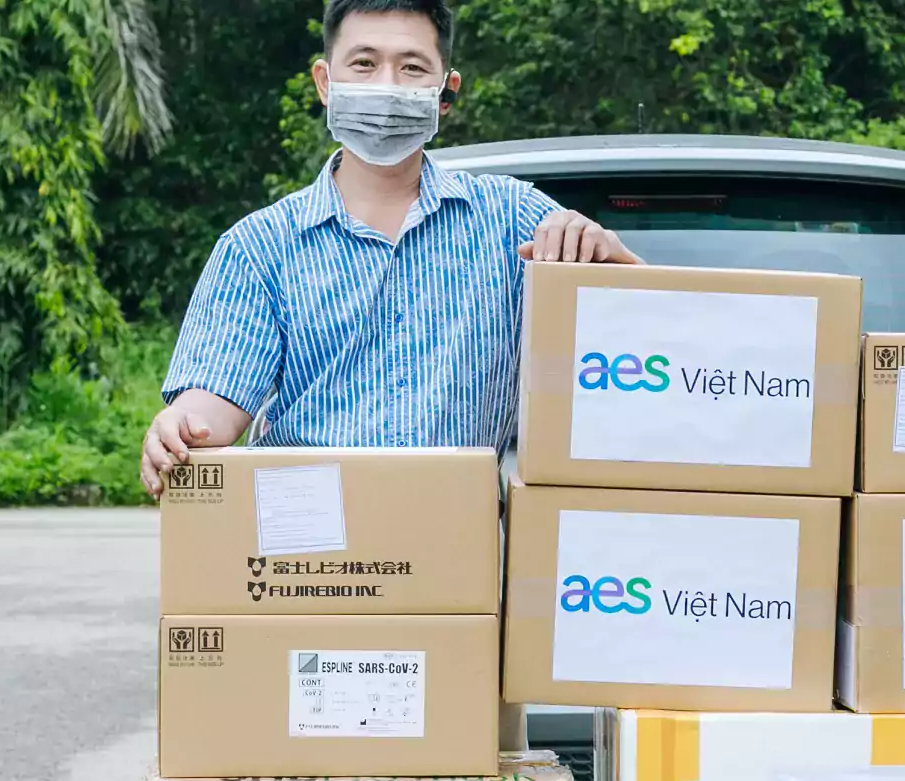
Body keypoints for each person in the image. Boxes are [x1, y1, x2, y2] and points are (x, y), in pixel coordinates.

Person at [139, 0, 640, 496]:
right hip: (309, 536)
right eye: (364, 63)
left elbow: (647, 345)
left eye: (412, 68)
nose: (386, 86)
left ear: (446, 92)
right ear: (324, 82)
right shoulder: (259, 247)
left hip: (458, 532)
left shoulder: (513, 219)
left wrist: (611, 257)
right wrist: (180, 425)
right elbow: (213, 401)